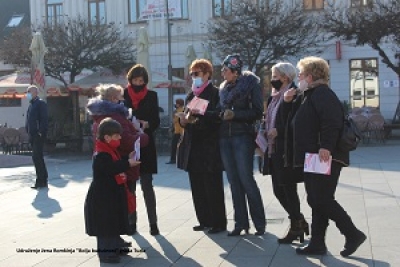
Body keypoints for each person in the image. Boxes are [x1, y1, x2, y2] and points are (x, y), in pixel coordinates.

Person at [282, 56, 366, 256]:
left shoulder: (322, 94)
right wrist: (287, 102)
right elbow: (294, 121)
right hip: (313, 156)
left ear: (310, 76)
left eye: (301, 74)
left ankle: (352, 233)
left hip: (324, 155)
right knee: (316, 198)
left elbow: (332, 122)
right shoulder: (308, 95)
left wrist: (326, 146)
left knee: (321, 198)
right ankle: (318, 243)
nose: (299, 77)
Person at [86, 83, 148, 235]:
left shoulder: (98, 115)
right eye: (120, 97)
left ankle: (120, 233)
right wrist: (141, 133)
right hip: (123, 163)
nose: (122, 100)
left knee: (116, 201)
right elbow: (128, 141)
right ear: (114, 98)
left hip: (111, 162)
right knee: (125, 199)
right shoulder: (116, 117)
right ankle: (126, 229)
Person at [178, 59, 227, 234]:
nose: (194, 77)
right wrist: (183, 121)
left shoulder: (215, 93)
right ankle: (204, 220)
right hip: (193, 146)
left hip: (209, 146)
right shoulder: (191, 95)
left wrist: (202, 113)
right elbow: (186, 116)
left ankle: (218, 222)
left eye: (197, 73)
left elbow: (219, 115)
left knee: (212, 185)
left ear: (207, 74)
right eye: (192, 74)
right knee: (197, 185)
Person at [219, 55, 266, 236]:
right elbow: (220, 110)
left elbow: (257, 111)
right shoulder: (222, 88)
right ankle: (240, 223)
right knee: (233, 181)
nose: (222, 73)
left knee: (246, 178)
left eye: (225, 70)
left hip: (242, 136)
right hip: (224, 137)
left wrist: (235, 114)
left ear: (235, 72)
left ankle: (259, 223)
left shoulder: (251, 85)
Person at [84, 117, 140, 264]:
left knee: (113, 223)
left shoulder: (110, 150)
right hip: (102, 198)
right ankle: (106, 253)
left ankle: (116, 246)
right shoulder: (101, 153)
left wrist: (127, 158)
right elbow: (110, 168)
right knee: (106, 227)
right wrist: (128, 163)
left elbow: (117, 162)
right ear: (107, 137)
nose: (119, 138)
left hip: (110, 196)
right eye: (117, 136)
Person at [264, 62, 309, 244]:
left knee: (288, 188)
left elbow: (296, 122)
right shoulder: (274, 96)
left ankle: (296, 227)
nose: (272, 79)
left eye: (275, 76)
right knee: (278, 190)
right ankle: (299, 220)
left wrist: (279, 130)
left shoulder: (295, 95)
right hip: (273, 148)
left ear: (285, 77)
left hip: (286, 150)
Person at [124, 64, 161, 236]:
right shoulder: (124, 96)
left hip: (145, 144)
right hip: (129, 145)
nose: (138, 83)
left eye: (141, 80)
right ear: (130, 80)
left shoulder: (152, 96)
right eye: (135, 80)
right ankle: (131, 222)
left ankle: (153, 223)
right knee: (130, 186)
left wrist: (148, 124)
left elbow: (156, 121)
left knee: (147, 185)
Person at [25, 85, 49, 189]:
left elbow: (44, 119)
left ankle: (41, 181)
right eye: (27, 92)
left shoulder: (40, 103)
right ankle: (42, 179)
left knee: (37, 157)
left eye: (29, 92)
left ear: (35, 92)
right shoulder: (31, 105)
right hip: (32, 134)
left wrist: (40, 132)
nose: (28, 94)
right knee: (37, 157)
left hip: (38, 135)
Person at [166, 98, 184, 164]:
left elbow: (174, 121)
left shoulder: (178, 111)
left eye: (176, 103)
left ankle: (173, 159)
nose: (175, 104)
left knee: (174, 146)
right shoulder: (184, 110)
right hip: (182, 131)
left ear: (178, 104)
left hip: (177, 131)